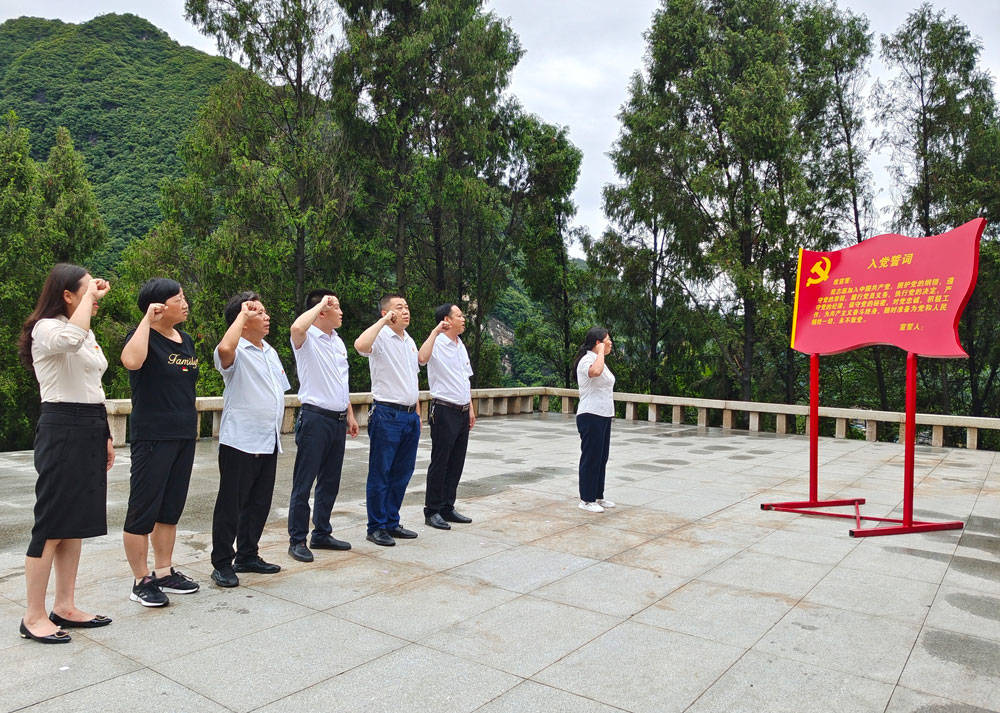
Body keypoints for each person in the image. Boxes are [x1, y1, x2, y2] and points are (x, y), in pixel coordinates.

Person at [16, 264, 114, 643]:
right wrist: (91, 299)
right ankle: (33, 615)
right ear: (67, 295)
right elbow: (72, 339)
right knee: (52, 522)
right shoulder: (49, 328)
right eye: (86, 290)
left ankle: (65, 605)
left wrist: (104, 433)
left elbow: (94, 386)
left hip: (89, 423)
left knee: (75, 522)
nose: (96, 295)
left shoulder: (84, 331)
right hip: (61, 425)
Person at [120, 278, 200, 606]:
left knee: (169, 510)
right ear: (159, 306)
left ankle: (164, 572)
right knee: (143, 510)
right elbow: (132, 361)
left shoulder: (187, 340)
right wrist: (145, 322)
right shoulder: (141, 338)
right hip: (153, 435)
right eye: (178, 298)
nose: (185, 303)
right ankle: (141, 580)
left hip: (183, 434)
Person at [209, 293, 290, 588]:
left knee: (258, 503)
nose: (267, 317)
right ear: (242, 322)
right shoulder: (235, 349)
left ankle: (247, 554)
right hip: (239, 440)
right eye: (259, 313)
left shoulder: (268, 350)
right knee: (231, 504)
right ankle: (221, 562)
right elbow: (224, 348)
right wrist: (243, 313)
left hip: (267, 439)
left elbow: (278, 390)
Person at [286, 290, 359, 562]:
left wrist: (350, 414)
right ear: (322, 312)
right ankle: (297, 540)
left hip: (338, 419)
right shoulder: (306, 339)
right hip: (315, 418)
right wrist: (319, 305)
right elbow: (296, 326)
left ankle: (322, 532)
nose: (341, 312)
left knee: (330, 481)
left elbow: (342, 382)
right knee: (304, 483)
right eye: (335, 307)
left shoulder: (338, 342)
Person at [354, 294, 421, 546]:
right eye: (399, 308)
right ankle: (376, 526)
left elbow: (412, 379)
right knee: (381, 472)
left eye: (407, 307)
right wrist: (382, 323)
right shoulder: (380, 337)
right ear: (385, 313)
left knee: (403, 472)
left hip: (409, 415)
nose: (405, 311)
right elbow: (360, 346)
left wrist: (417, 411)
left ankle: (392, 521)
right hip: (386, 414)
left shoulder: (409, 341)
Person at [417, 303, 476, 530]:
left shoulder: (460, 345)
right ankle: (431, 510)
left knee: (456, 461)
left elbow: (465, 379)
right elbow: (422, 359)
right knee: (440, 461)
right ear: (446, 320)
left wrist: (470, 408)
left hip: (461, 410)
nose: (463, 319)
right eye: (459, 315)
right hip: (444, 409)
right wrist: (435, 332)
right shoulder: (438, 343)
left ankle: (447, 506)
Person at [574, 327, 617, 513]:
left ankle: (598, 496)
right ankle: (586, 499)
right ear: (598, 343)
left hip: (604, 414)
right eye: (607, 340)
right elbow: (595, 372)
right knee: (591, 457)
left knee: (601, 458)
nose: (611, 343)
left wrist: (601, 354)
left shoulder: (601, 360)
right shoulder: (587, 360)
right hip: (590, 415)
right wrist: (599, 353)